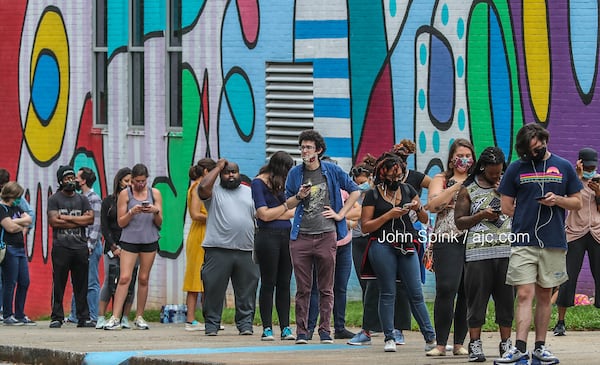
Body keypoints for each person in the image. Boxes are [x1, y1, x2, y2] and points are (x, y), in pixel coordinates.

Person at [495, 123, 582, 365]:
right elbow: (506, 206)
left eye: (540, 146)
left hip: (553, 240)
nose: (538, 151)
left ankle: (540, 347)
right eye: (532, 150)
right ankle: (519, 347)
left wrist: (558, 200)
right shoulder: (515, 169)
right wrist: (526, 216)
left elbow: (577, 203)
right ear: (524, 151)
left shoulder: (563, 166)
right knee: (524, 293)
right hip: (523, 240)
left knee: (545, 295)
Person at [284, 129, 360, 344]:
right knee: (303, 288)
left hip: (327, 234)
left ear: (318, 150)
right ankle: (301, 332)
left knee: (326, 287)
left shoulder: (332, 171)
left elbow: (355, 190)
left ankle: (325, 331)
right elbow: (287, 203)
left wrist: (340, 215)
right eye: (302, 147)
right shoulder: (295, 173)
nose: (304, 151)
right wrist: (299, 196)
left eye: (308, 147)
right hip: (301, 236)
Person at [360, 152, 436, 352]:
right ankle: (389, 337)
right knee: (388, 292)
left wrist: (418, 209)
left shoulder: (409, 189)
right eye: (391, 177)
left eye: (399, 176)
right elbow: (366, 226)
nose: (395, 180)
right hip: (382, 243)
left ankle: (430, 337)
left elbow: (425, 220)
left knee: (415, 292)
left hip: (406, 243)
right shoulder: (372, 194)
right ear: (381, 175)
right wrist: (388, 215)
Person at [454, 147, 514, 362]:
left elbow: (520, 211)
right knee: (476, 300)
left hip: (507, 251)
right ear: (482, 168)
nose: (496, 176)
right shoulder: (468, 188)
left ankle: (506, 343)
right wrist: (480, 215)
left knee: (506, 300)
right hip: (478, 254)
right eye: (492, 173)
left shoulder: (509, 185)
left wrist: (504, 193)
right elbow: (459, 222)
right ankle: (475, 344)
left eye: (499, 172)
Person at [424, 138, 475, 356]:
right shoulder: (442, 179)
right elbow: (433, 205)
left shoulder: (478, 180)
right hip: (446, 237)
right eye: (460, 155)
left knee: (467, 290)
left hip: (473, 238)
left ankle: (459, 343)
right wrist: (456, 187)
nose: (464, 159)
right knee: (446, 288)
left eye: (468, 155)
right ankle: (440, 344)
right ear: (452, 159)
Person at [197, 159, 259, 336]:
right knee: (213, 290)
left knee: (247, 291)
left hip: (247, 250)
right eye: (227, 172)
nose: (231, 175)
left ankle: (246, 324)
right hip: (218, 249)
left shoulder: (250, 192)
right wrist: (217, 167)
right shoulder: (213, 192)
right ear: (220, 175)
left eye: (234, 172)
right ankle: (211, 325)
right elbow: (202, 188)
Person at [104, 163, 162, 330]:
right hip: (129, 240)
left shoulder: (154, 193)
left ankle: (139, 316)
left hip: (149, 239)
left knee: (143, 278)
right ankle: (115, 316)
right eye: (137, 181)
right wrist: (132, 212)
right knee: (124, 278)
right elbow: (121, 222)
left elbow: (160, 222)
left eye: (143, 181)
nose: (140, 184)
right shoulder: (125, 194)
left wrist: (155, 211)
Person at [553, 147, 600, 336]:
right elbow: (567, 201)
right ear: (579, 163)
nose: (590, 169)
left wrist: (599, 193)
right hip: (575, 233)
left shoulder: (598, 180)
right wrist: (579, 179)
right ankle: (560, 321)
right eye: (586, 166)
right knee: (568, 276)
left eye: (592, 166)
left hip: (597, 233)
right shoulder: (570, 179)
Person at [251, 151, 296, 341]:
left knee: (285, 283)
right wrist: (284, 208)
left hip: (287, 235)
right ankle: (267, 327)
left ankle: (285, 327)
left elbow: (293, 212)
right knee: (268, 282)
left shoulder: (285, 183)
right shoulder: (258, 183)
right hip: (266, 237)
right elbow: (263, 215)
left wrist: (275, 212)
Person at [48, 165, 94, 328]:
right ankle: (57, 317)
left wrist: (65, 218)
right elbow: (53, 222)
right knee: (59, 283)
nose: (70, 181)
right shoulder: (54, 199)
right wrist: (78, 219)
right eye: (67, 178)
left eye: (72, 177)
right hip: (61, 247)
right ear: (61, 181)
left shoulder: (82, 199)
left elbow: (90, 220)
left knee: (81, 284)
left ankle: (84, 317)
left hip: (80, 247)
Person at [96, 167, 138, 329]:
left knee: (130, 281)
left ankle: (124, 317)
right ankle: (101, 316)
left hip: (131, 246)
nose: (128, 184)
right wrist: (113, 246)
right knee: (109, 280)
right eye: (126, 181)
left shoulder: (134, 201)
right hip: (113, 246)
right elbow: (105, 226)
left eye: (131, 182)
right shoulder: (108, 201)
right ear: (119, 181)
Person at [183, 158, 216, 331]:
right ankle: (190, 319)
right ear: (205, 172)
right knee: (196, 277)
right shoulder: (197, 188)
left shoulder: (203, 187)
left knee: (207, 278)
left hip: (207, 233)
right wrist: (215, 217)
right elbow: (195, 214)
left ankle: (208, 317)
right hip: (200, 234)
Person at [66, 167, 102, 325]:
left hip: (89, 245)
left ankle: (93, 315)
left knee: (91, 281)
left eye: (78, 177)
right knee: (78, 280)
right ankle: (75, 314)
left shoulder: (93, 198)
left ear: (84, 180)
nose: (75, 180)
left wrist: (90, 245)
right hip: (79, 245)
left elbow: (96, 224)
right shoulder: (80, 198)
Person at [0, 168, 36, 322]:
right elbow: (10, 228)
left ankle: (20, 314)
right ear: (11, 196)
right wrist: (18, 223)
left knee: (24, 281)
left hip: (20, 248)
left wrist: (15, 222)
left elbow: (29, 219)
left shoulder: (17, 207)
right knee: (10, 282)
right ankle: (8, 314)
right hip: (9, 248)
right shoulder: (2, 208)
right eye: (17, 197)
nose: (19, 200)